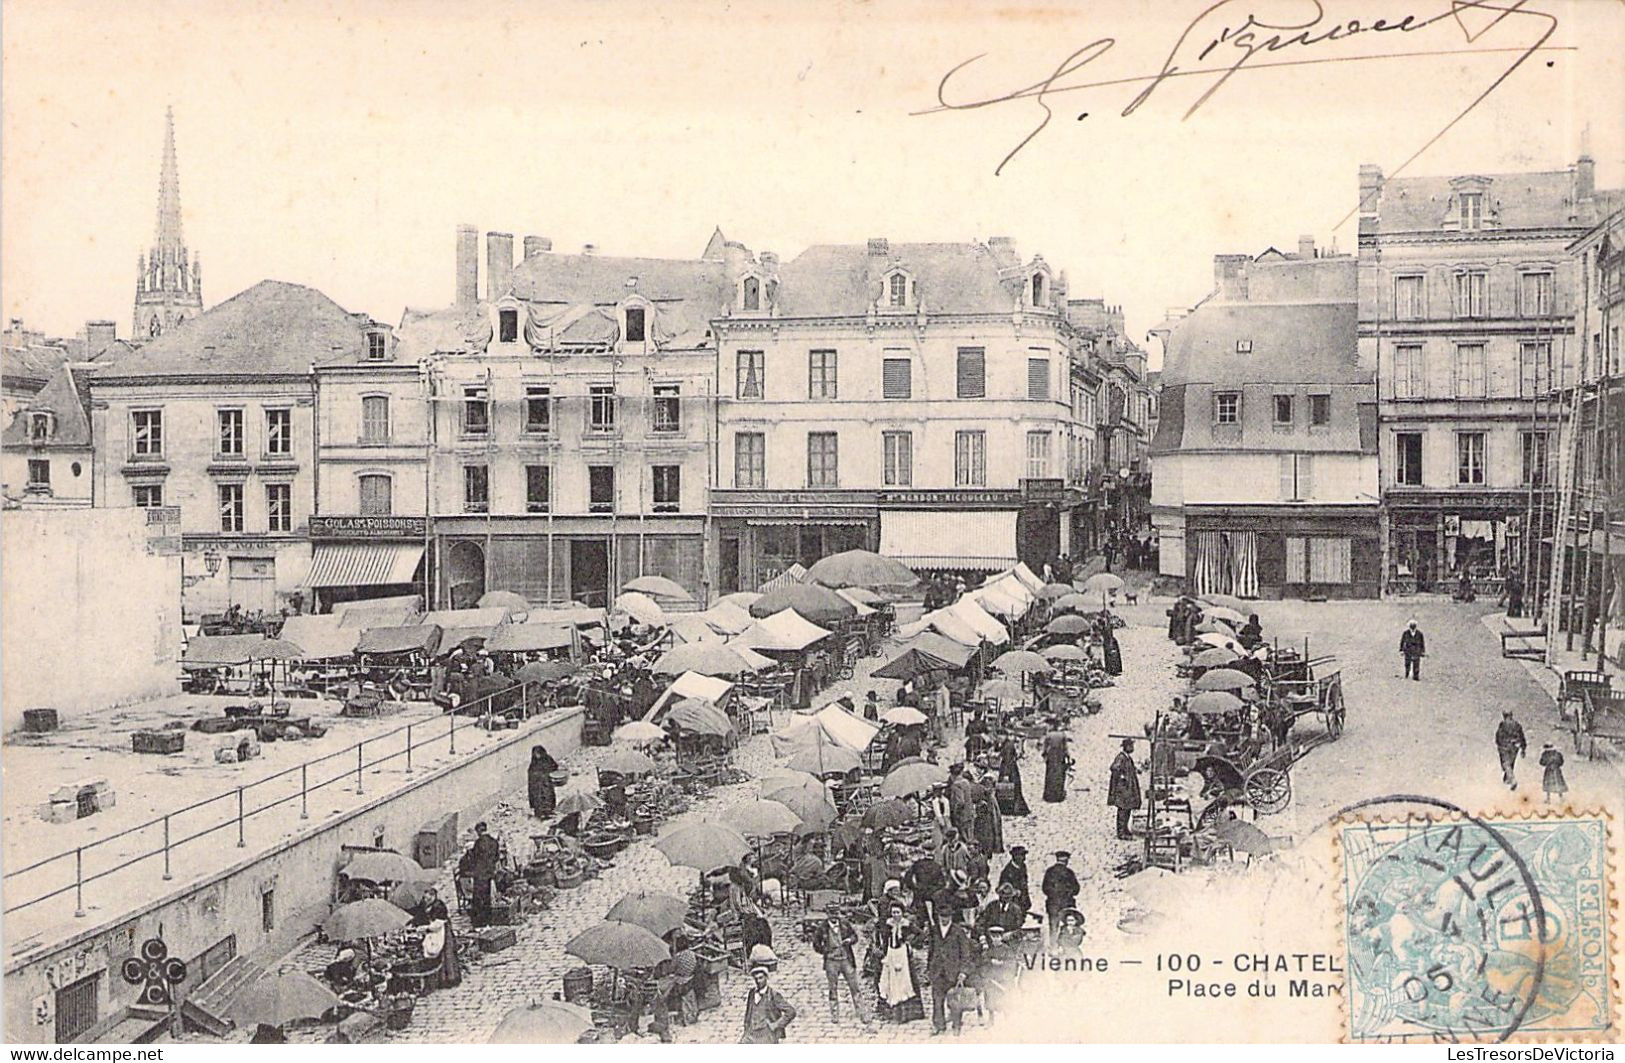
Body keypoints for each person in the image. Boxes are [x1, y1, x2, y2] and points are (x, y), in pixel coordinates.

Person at [925, 905, 975, 1035]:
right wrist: (929, 968)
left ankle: (956, 1025)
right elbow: (931, 950)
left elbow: (965, 953)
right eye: (942, 916)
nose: (944, 919)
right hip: (937, 971)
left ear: (951, 917)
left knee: (955, 1001)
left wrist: (963, 972)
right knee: (937, 999)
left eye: (947, 917)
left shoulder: (958, 931)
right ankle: (938, 1025)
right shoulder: (934, 930)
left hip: (953, 972)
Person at [871, 902, 923, 1023]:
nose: (895, 915)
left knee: (905, 980)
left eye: (898, 912)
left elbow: (921, 934)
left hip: (903, 954)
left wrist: (911, 943)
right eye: (893, 912)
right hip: (890, 953)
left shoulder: (907, 924)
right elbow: (877, 933)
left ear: (902, 913)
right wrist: (878, 946)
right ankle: (889, 1008)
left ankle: (907, 1011)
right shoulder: (888, 924)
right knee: (889, 980)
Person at [813, 913, 869, 1023]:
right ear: (827, 914)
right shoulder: (822, 928)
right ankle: (834, 1014)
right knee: (832, 988)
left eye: (835, 912)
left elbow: (855, 937)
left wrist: (849, 940)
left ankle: (862, 1012)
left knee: (854, 987)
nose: (833, 917)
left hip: (846, 960)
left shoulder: (844, 924)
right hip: (831, 962)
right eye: (831, 913)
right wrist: (825, 951)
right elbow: (816, 944)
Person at [458, 822, 501, 928]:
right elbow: (496, 857)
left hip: (480, 874)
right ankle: (488, 920)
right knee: (487, 897)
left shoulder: (479, 842)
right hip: (489, 873)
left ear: (478, 831)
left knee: (478, 899)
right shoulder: (494, 842)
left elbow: (474, 859)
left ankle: (479, 922)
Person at [740, 965, 797, 1043]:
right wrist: (746, 1029)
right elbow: (748, 1013)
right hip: (751, 1033)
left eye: (761, 978)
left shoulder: (774, 995)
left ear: (766, 978)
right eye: (756, 979)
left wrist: (776, 1025)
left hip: (767, 1034)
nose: (758, 981)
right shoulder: (752, 993)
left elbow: (791, 1011)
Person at [1041, 851, 1080, 943]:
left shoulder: (1049, 871)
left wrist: (1053, 895)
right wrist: (1067, 893)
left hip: (1053, 904)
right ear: (1066, 860)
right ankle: (1067, 945)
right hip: (1067, 904)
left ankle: (1053, 946)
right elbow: (1076, 889)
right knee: (1068, 926)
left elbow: (1045, 888)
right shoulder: (1069, 873)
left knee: (1053, 927)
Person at [1107, 739, 1142, 840]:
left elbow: (1129, 768)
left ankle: (1125, 829)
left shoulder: (1127, 758)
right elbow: (1114, 768)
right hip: (1123, 789)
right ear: (1126, 747)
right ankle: (1121, 832)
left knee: (1128, 809)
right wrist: (1122, 777)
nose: (1132, 748)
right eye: (1131, 746)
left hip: (1128, 788)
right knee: (1122, 809)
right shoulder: (1121, 757)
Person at [1495, 710, 1527, 790]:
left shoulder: (1502, 725)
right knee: (1511, 762)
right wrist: (1523, 748)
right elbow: (1522, 736)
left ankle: (1512, 780)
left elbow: (1499, 736)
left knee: (1506, 764)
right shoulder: (1517, 725)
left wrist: (1499, 744)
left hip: (1505, 746)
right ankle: (1508, 778)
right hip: (1515, 746)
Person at [998, 737, 1030, 816]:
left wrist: (1006, 774)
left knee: (1009, 788)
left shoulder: (1008, 746)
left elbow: (1008, 760)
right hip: (1012, 768)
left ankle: (1010, 809)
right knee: (1014, 789)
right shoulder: (1007, 744)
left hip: (1008, 769)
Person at [1042, 720, 1071, 803]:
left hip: (1051, 757)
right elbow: (1065, 748)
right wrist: (1067, 757)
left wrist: (1044, 756)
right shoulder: (1062, 735)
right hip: (1060, 756)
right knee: (1059, 775)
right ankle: (1059, 794)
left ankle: (1049, 795)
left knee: (1050, 775)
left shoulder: (1048, 735)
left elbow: (1045, 748)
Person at [527, 744, 559, 818]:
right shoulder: (534, 763)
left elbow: (554, 766)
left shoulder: (547, 758)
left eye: (538, 753)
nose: (537, 755)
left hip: (546, 782)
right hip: (537, 785)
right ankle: (539, 813)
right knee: (538, 798)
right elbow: (531, 774)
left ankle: (549, 811)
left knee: (548, 796)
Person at [998, 846, 1032, 911]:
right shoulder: (1007, 872)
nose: (1024, 858)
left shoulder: (1023, 866)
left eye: (1024, 855)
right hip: (1013, 903)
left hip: (1023, 901)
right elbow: (1003, 891)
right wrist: (1014, 892)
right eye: (1021, 855)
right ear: (1015, 856)